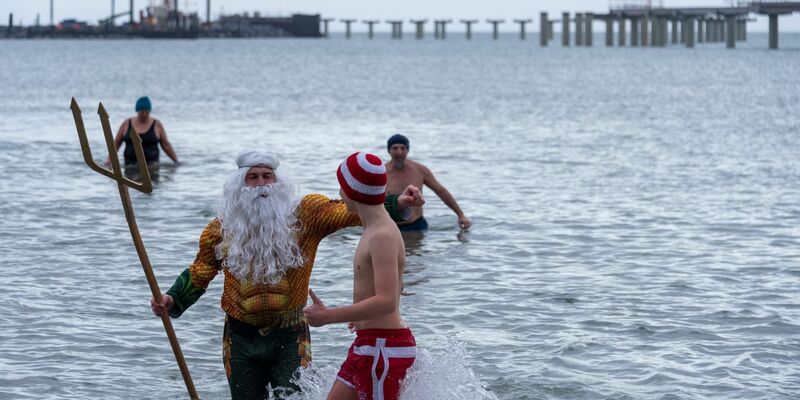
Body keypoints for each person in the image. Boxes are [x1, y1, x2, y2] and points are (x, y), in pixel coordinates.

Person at [150, 151, 423, 400]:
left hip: (290, 332)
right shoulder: (220, 229)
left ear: (278, 181)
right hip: (240, 336)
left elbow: (353, 211)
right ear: (239, 185)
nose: (261, 184)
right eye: (252, 177)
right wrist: (173, 298)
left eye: (267, 176)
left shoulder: (307, 213)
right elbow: (201, 270)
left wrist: (398, 203)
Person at [304, 151, 416, 400]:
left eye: (341, 187)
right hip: (369, 343)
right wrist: (361, 315)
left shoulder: (381, 235)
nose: (340, 194)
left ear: (353, 192)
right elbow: (394, 285)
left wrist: (328, 316)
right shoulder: (375, 227)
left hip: (384, 349)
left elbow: (388, 302)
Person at [384, 134, 471, 231]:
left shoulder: (420, 170)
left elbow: (441, 191)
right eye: (395, 148)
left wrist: (461, 215)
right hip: (389, 226)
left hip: (416, 225)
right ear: (389, 151)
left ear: (407, 150)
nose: (399, 152)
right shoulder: (381, 173)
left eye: (403, 148)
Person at [106, 96, 179, 166]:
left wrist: (176, 161)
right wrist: (109, 160)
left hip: (152, 166)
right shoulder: (127, 123)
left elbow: (166, 145)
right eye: (142, 112)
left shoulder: (157, 124)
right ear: (137, 111)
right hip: (130, 165)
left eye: (147, 112)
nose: (144, 114)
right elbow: (116, 143)